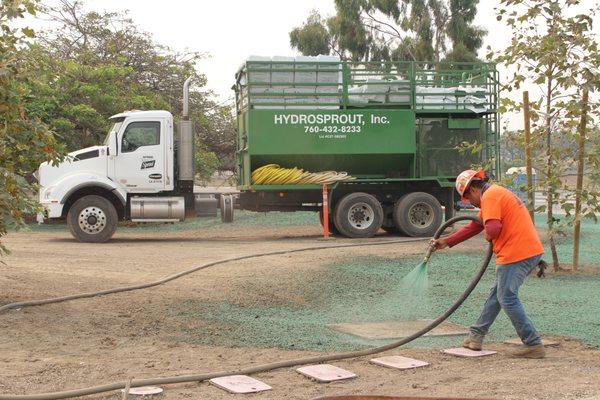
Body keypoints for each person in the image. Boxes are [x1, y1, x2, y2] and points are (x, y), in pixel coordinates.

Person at [430, 169, 546, 358]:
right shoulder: (495, 194)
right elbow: (476, 225)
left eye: (468, 199)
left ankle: (533, 344)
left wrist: (488, 235)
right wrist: (447, 241)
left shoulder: (490, 196)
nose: (472, 204)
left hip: (516, 252)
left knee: (507, 298)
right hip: (524, 250)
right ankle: (476, 337)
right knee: (497, 295)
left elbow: (492, 228)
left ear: (473, 190)